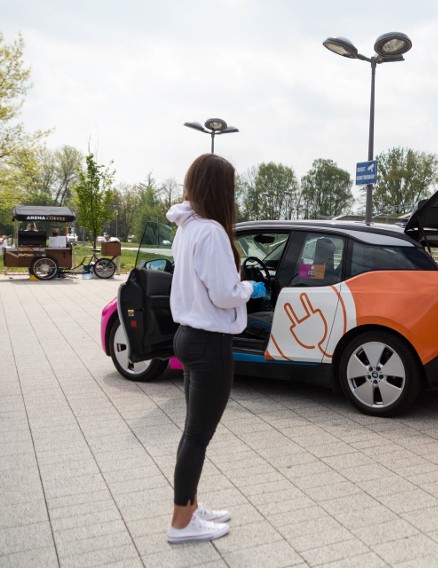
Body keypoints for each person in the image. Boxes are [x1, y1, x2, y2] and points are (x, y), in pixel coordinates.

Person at [164, 154, 265, 543]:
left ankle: (189, 506)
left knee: (193, 433)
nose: (235, 194)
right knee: (197, 436)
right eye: (232, 187)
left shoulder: (187, 229)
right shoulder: (212, 232)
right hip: (209, 344)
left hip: (188, 336)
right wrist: (249, 289)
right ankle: (180, 523)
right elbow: (224, 294)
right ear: (219, 189)